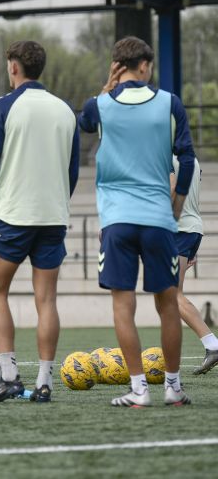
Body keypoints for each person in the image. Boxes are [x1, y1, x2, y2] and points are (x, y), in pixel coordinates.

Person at [78, 36, 195, 407]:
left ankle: (139, 390)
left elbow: (83, 123)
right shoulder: (169, 103)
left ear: (117, 66)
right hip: (159, 219)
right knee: (168, 304)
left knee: (122, 305)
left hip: (117, 221)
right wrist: (177, 205)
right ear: (144, 65)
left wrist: (105, 88)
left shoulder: (99, 106)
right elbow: (187, 160)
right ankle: (173, 388)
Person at [0, 41, 79, 403]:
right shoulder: (66, 110)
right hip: (53, 217)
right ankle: (44, 382)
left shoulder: (3, 106)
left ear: (14, 67)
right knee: (47, 300)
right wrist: (56, 206)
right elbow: (72, 171)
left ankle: (9, 377)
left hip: (12, 215)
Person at [171, 155, 218, 374]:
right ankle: (211, 344)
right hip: (191, 229)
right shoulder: (191, 157)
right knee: (171, 294)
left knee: (172, 295)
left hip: (178, 230)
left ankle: (213, 345)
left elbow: (171, 190)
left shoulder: (164, 155)